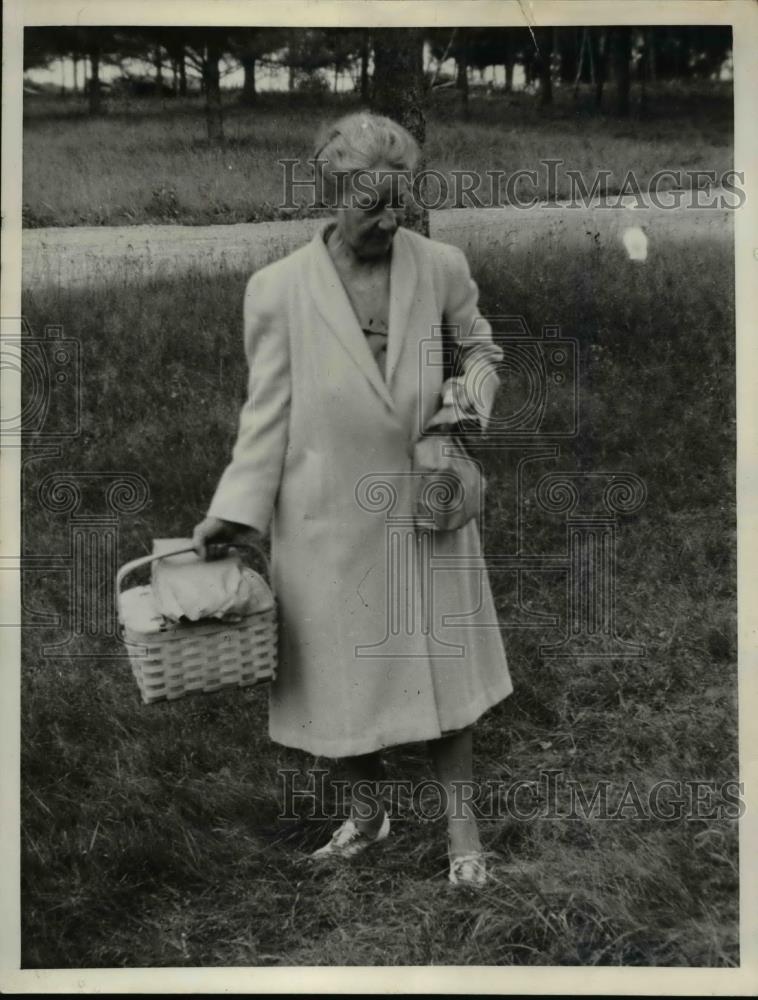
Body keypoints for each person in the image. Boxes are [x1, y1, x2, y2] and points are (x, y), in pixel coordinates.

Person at [192, 112, 512, 887]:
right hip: (325, 515)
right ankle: (367, 816)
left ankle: (463, 837)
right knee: (338, 672)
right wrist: (233, 514)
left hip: (424, 504)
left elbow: (479, 347)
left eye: (400, 201)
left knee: (444, 671)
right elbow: (263, 416)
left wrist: (458, 412)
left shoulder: (438, 265)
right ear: (331, 195)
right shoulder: (276, 291)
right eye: (371, 204)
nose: (389, 218)